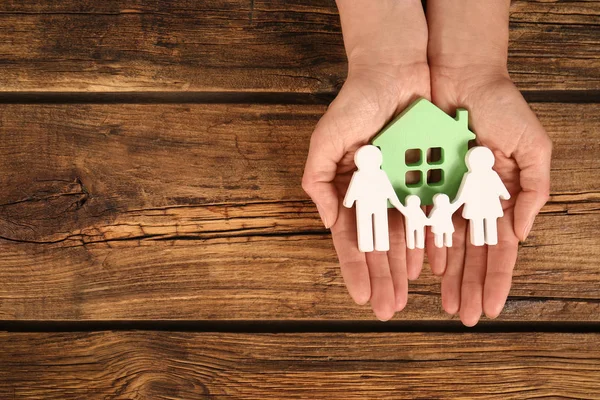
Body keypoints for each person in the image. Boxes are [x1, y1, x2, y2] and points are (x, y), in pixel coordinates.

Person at [301, 0, 552, 324]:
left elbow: (486, 190)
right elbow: (367, 193)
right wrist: (381, 50)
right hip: (377, 207)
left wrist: (476, 59)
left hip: (464, 208)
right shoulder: (373, 174)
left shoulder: (475, 176)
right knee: (370, 231)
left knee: (476, 230)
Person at [343, 145, 403, 252]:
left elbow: (388, 189)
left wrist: (349, 202)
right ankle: (367, 245)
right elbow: (354, 188)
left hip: (377, 204)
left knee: (380, 223)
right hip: (365, 204)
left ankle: (381, 244)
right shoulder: (359, 175)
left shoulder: (381, 174)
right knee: (365, 223)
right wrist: (349, 201)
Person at [454, 147, 511, 246]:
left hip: (480, 205)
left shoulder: (486, 175)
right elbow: (464, 193)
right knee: (482, 221)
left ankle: (488, 239)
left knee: (486, 221)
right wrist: (505, 195)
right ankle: (482, 239)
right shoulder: (476, 176)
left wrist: (456, 203)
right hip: (487, 204)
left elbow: (464, 194)